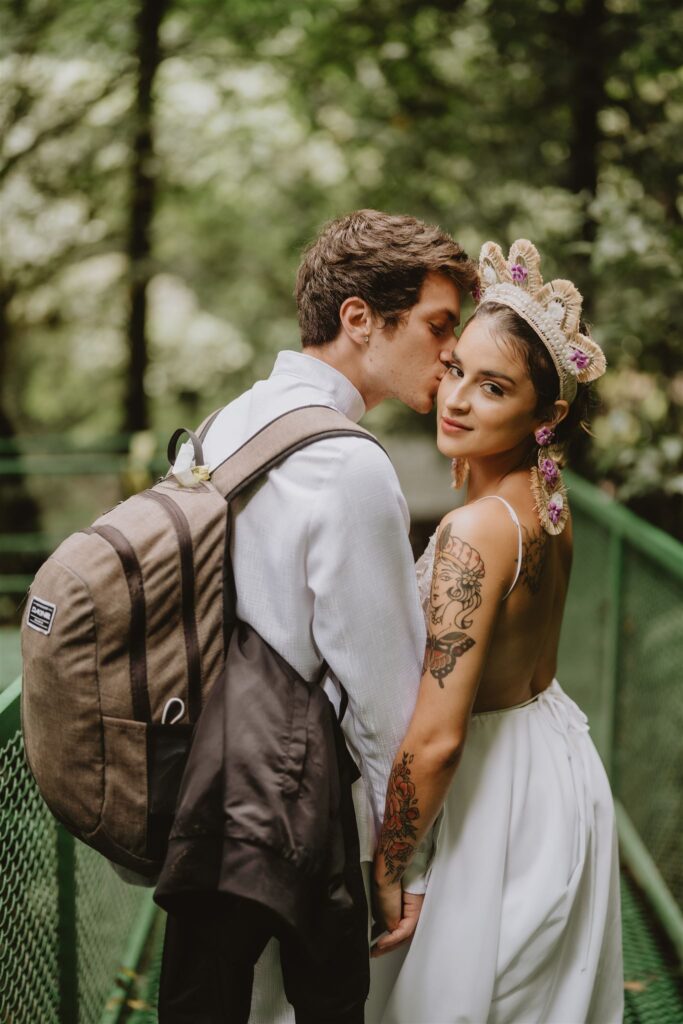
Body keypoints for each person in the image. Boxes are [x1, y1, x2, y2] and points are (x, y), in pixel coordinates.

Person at [157, 209, 479, 1023]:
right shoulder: (346, 464)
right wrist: (402, 860)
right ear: (360, 319)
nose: (452, 352)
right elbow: (381, 693)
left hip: (208, 777)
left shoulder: (228, 423)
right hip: (302, 805)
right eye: (439, 325)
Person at [369, 240, 623, 1023]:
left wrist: (390, 860)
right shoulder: (547, 506)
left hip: (490, 796)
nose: (456, 399)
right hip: (554, 763)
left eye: (492, 387)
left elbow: (439, 737)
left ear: (545, 414)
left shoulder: (475, 530)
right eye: (455, 371)